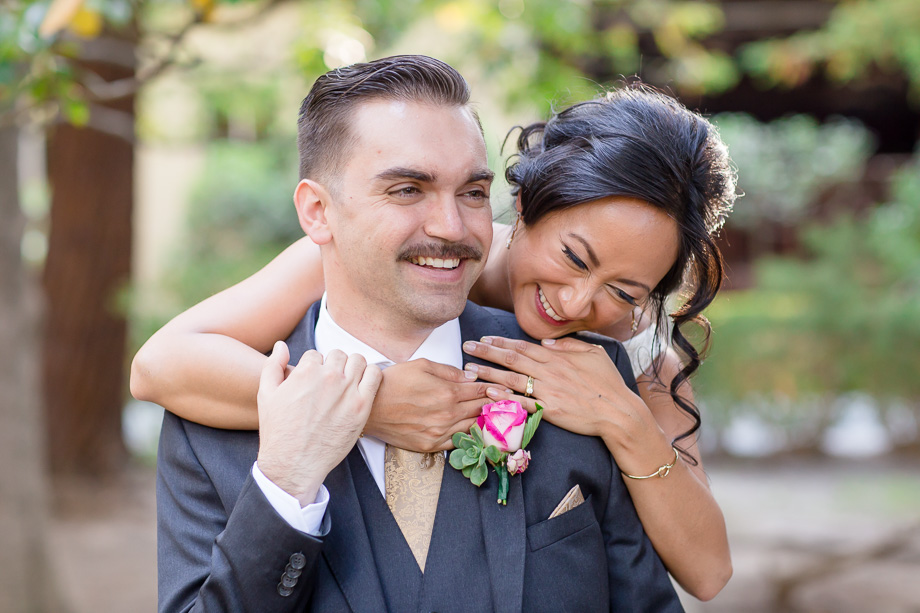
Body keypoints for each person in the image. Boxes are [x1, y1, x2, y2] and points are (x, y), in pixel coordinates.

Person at [134, 84, 736, 600]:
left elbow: (707, 573)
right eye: (574, 258)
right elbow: (159, 366)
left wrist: (623, 419)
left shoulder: (634, 349)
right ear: (524, 205)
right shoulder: (413, 253)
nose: (578, 304)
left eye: (626, 291)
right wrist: (373, 404)